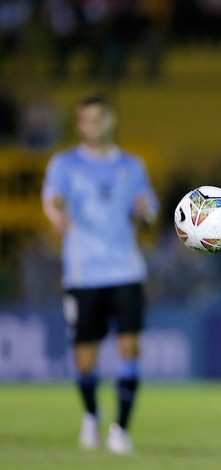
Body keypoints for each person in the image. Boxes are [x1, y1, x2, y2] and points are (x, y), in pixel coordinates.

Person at [42, 95, 159, 455]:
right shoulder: (64, 164)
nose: (93, 126)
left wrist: (143, 212)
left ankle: (120, 429)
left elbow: (150, 211)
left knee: (130, 346)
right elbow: (51, 199)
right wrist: (56, 214)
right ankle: (92, 415)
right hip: (84, 273)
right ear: (79, 126)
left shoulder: (132, 165)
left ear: (111, 120)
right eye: (86, 120)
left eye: (99, 119)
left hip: (126, 268)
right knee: (85, 356)